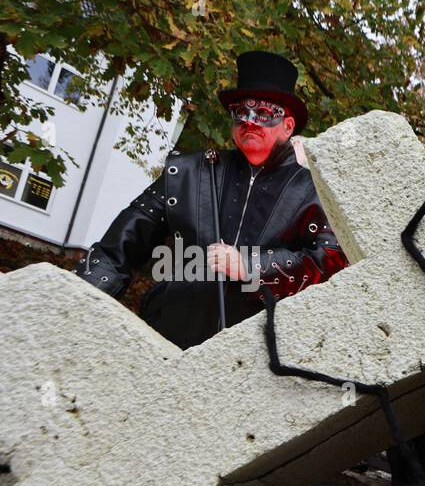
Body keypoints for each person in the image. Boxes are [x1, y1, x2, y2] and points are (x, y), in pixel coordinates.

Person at [76, 50, 346, 349]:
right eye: (241, 112)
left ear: (288, 126)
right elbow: (119, 246)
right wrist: (78, 305)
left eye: (265, 114)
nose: (250, 121)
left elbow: (329, 264)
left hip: (252, 357)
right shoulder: (187, 172)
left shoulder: (312, 191)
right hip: (164, 340)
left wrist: (251, 265)